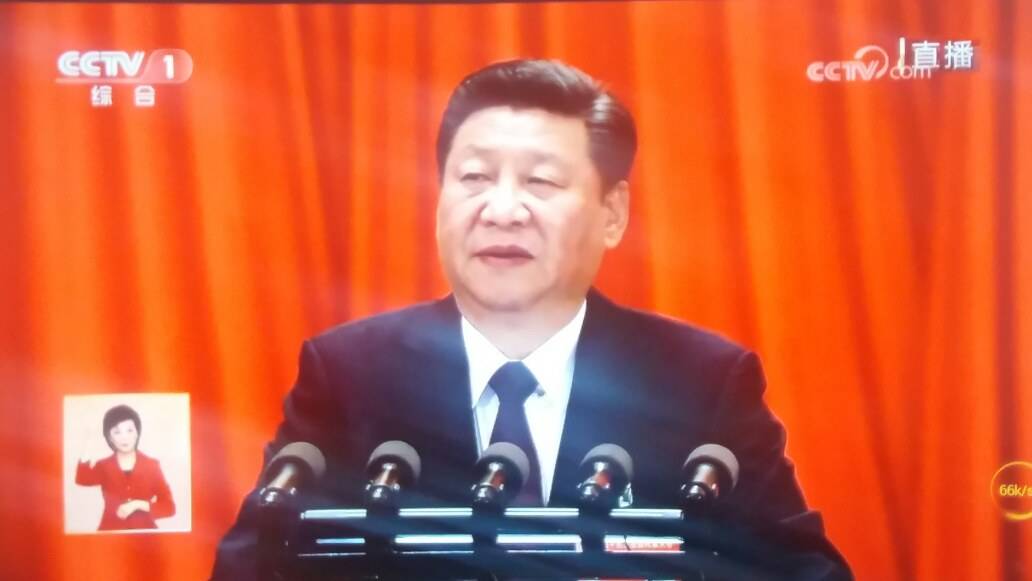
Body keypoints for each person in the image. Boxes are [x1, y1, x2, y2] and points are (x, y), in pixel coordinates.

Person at [212, 59, 851, 579]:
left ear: (612, 214)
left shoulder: (700, 382)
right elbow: (253, 564)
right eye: (474, 177)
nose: (502, 210)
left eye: (541, 183)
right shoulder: (350, 374)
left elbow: (804, 571)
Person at [76, 404, 176, 531]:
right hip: (110, 533)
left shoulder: (152, 465)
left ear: (137, 433)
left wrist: (138, 504)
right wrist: (88, 440)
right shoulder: (104, 466)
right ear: (109, 437)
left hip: (144, 535)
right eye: (117, 432)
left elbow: (169, 507)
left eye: (129, 430)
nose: (124, 437)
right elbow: (82, 479)